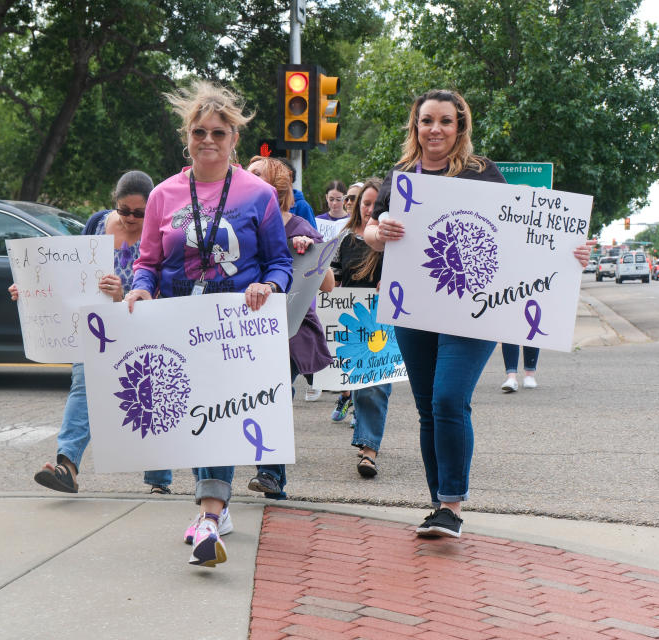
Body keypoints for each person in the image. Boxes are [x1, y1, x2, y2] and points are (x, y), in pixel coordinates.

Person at [366, 89, 595, 539]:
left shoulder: (481, 173)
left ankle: (451, 505)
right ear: (415, 126)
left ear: (460, 127)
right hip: (416, 308)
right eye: (427, 121)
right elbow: (370, 229)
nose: (435, 129)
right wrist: (380, 230)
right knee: (428, 409)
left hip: (475, 311)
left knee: (450, 398)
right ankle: (438, 505)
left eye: (446, 121)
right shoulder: (401, 176)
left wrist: (571, 254)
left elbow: (522, 234)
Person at [125, 80, 292, 567]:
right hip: (179, 313)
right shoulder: (163, 194)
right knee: (192, 413)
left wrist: (270, 286)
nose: (209, 141)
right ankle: (214, 505)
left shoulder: (258, 194)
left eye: (219, 132)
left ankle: (209, 515)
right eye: (200, 131)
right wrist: (139, 286)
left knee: (218, 415)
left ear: (233, 138)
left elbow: (279, 262)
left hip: (237, 316)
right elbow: (148, 261)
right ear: (188, 135)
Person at [9, 171, 173, 495]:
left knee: (150, 394)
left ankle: (158, 480)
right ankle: (66, 466)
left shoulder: (162, 233)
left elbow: (167, 288)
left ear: (152, 208)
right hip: (98, 327)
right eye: (124, 210)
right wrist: (29, 288)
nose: (129, 218)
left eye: (139, 213)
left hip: (144, 325)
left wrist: (123, 292)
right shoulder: (97, 222)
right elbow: (70, 273)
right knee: (83, 386)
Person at [246, 155, 334, 498]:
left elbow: (327, 284)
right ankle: (274, 482)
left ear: (275, 191)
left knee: (272, 394)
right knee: (262, 398)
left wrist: (309, 252)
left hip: (291, 333)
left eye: (256, 177)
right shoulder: (243, 227)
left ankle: (269, 474)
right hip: (249, 331)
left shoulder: (298, 227)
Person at [330, 177, 393, 478]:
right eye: (365, 203)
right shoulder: (344, 240)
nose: (369, 209)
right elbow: (333, 279)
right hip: (351, 321)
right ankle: (363, 427)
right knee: (359, 386)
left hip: (382, 321)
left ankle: (368, 450)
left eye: (374, 204)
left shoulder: (392, 241)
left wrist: (392, 280)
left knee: (375, 386)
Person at [277, 156, 317, 229]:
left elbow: (314, 237)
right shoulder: (267, 204)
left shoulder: (302, 206)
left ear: (290, 178)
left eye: (280, 176)